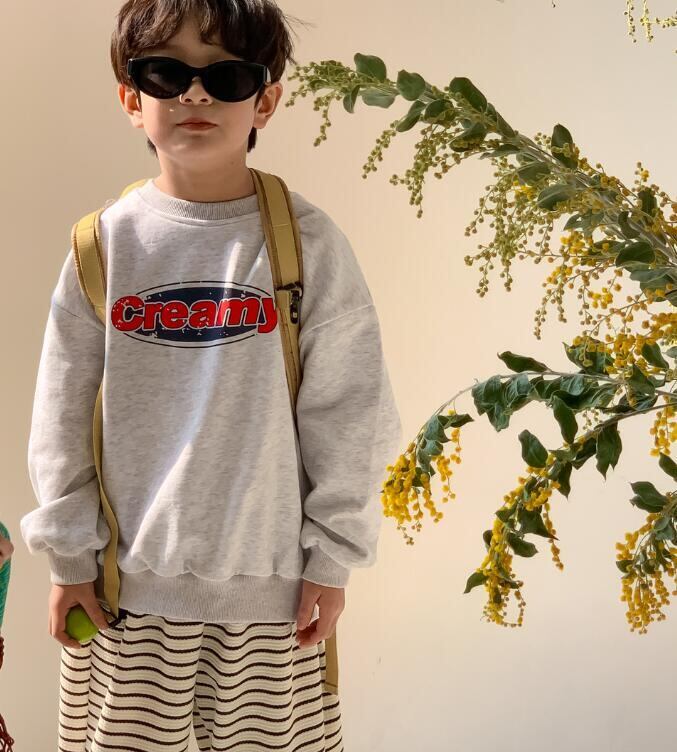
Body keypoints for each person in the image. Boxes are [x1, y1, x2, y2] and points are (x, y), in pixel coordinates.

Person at [19, 1, 402, 750]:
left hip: (273, 602)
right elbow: (60, 416)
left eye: (226, 76)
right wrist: (68, 558)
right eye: (167, 73)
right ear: (131, 98)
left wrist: (331, 561)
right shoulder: (101, 248)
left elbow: (351, 413)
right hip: (123, 599)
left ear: (265, 100)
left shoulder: (307, 245)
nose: (195, 93)